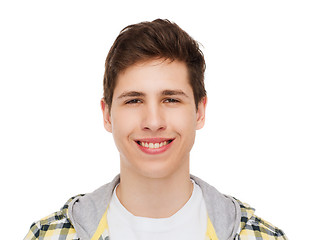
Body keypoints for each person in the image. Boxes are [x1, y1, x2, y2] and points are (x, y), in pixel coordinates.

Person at [24, 19, 287, 240]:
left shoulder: (262, 236)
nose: (153, 121)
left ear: (199, 111)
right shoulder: (49, 235)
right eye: (134, 100)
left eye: (171, 99)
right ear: (107, 115)